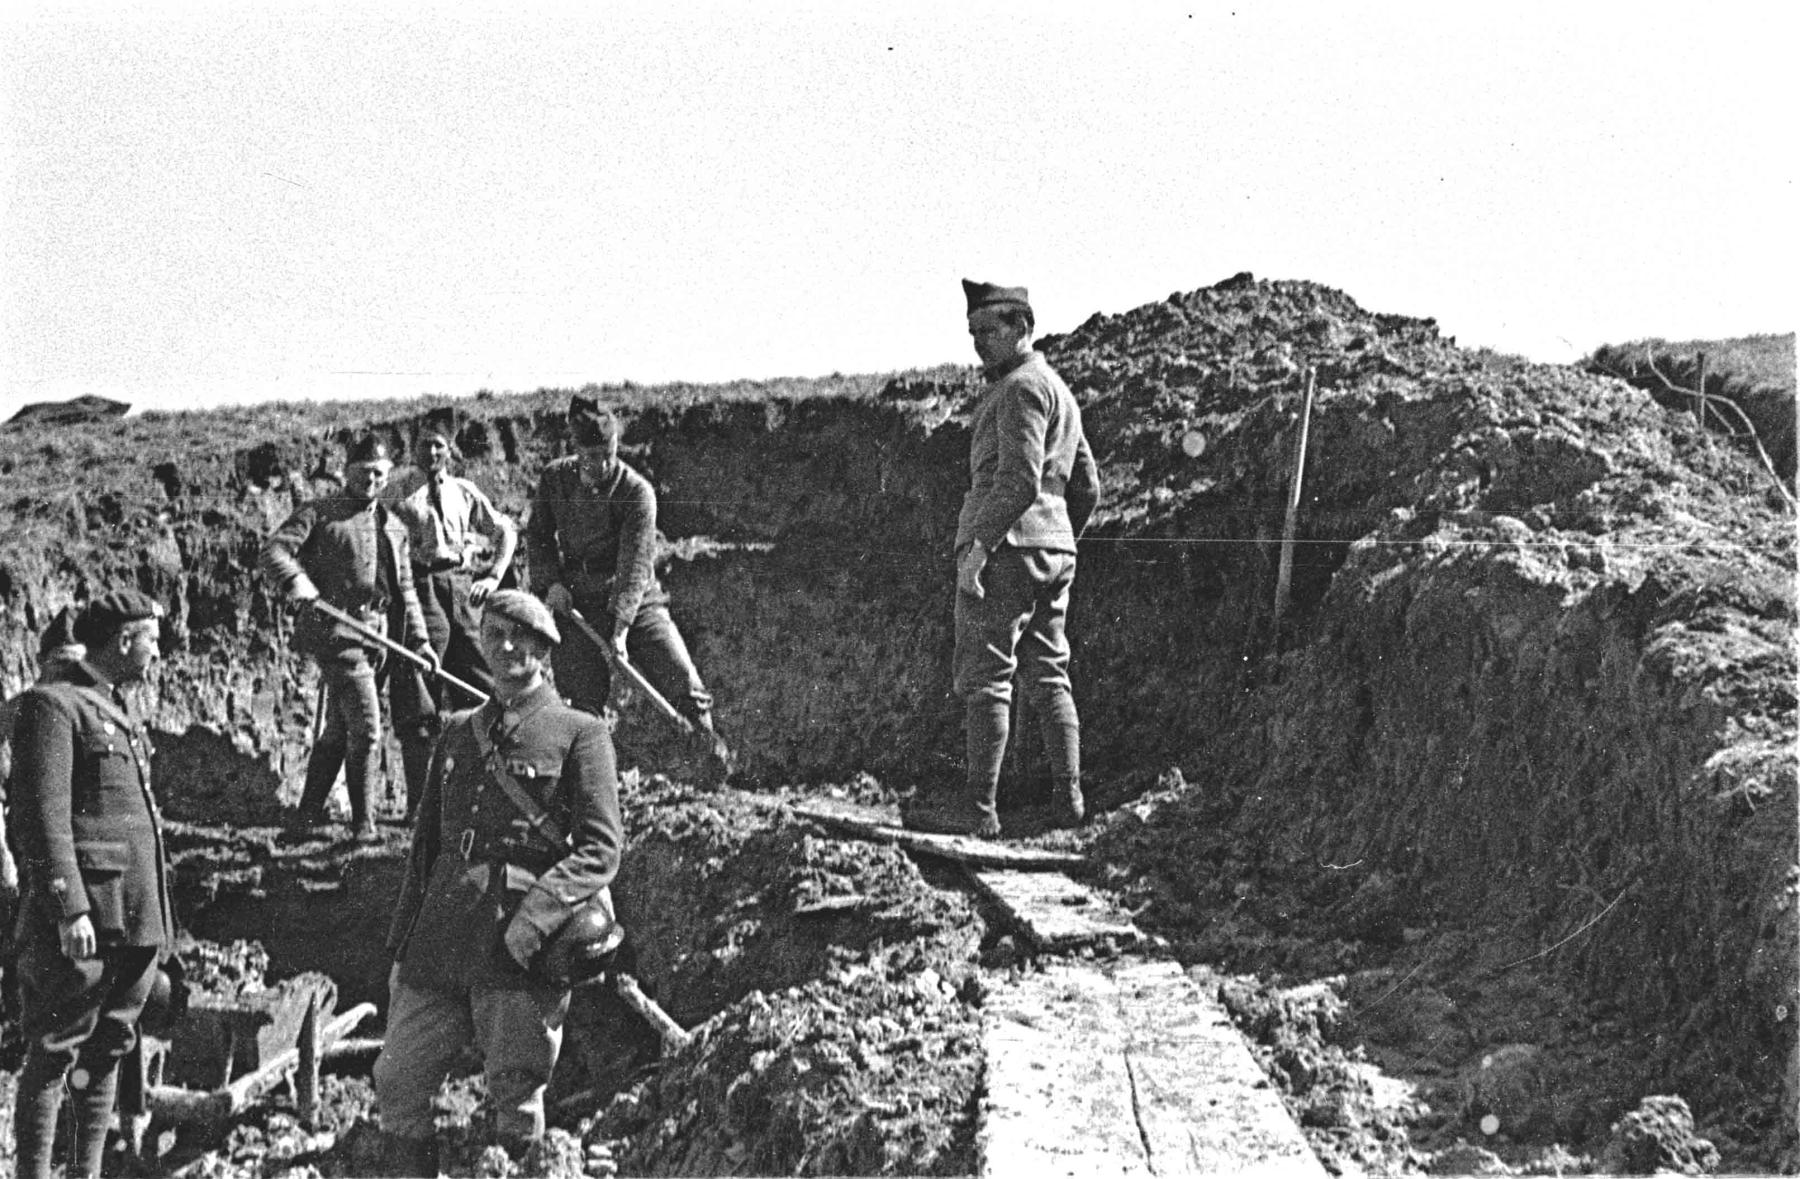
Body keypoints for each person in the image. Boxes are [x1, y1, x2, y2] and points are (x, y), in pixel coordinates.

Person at [373, 589, 623, 1173]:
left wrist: (531, 925)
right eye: (494, 636)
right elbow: (425, 851)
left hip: (519, 946)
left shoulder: (579, 733)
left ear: (543, 648)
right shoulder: (459, 730)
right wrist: (401, 947)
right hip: (441, 937)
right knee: (398, 1079)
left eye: (521, 637)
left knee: (514, 1092)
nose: (506, 647)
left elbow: (600, 849)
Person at [904, 279, 1100, 838]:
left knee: (986, 677)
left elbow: (1016, 480)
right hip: (1051, 551)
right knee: (1049, 674)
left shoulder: (1017, 389)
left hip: (1007, 550)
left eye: (989, 331)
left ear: (1023, 326)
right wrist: (1060, 538)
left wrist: (982, 548)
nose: (978, 344)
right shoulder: (1058, 389)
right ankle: (1069, 803)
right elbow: (1087, 486)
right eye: (973, 333)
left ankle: (980, 811)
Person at [6, 591, 176, 1179]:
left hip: (133, 918)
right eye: (152, 639)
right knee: (55, 1057)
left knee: (106, 1053)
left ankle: (86, 1171)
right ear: (124, 641)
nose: (159, 651)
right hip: (86, 923)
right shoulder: (54, 707)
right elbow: (43, 816)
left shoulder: (114, 710)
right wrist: (68, 907)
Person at [527, 396, 732, 784]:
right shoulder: (556, 479)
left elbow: (635, 565)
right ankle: (588, 785)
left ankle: (709, 768)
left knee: (683, 682)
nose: (601, 465)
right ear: (575, 451)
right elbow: (537, 536)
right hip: (575, 600)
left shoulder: (637, 491)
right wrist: (550, 582)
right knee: (580, 703)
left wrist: (621, 628)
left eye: (609, 454)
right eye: (591, 456)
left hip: (633, 600)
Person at [260, 434, 434, 840]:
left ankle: (305, 818)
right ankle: (364, 826)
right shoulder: (319, 513)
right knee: (368, 728)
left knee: (340, 728)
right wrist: (296, 582)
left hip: (379, 639)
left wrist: (421, 641)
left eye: (378, 474)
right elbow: (274, 552)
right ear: (346, 473)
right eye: (362, 473)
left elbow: (405, 589)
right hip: (336, 635)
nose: (370, 481)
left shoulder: (392, 524)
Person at [387, 424, 519, 818]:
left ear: (449, 449)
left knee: (482, 684)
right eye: (424, 444)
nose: (431, 452)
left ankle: (482, 799)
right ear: (412, 447)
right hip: (418, 589)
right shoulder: (396, 493)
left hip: (461, 590)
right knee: (418, 690)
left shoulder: (464, 491)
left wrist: (492, 575)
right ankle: (420, 806)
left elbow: (503, 530)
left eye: (438, 445)